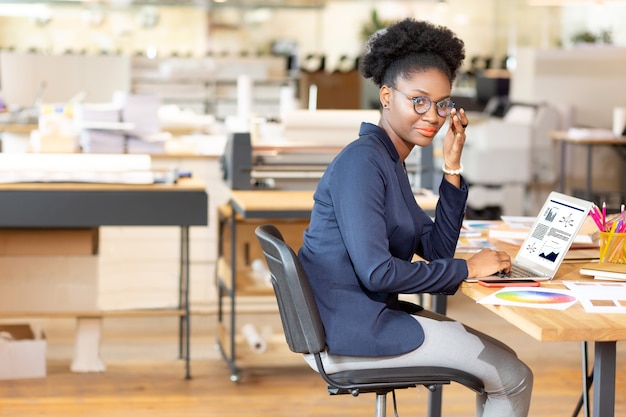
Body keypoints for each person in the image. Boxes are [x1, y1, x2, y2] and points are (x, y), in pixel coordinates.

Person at [297, 18, 533, 416]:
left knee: (504, 360)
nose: (434, 116)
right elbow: (378, 273)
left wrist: (452, 169)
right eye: (419, 101)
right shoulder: (364, 162)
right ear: (387, 96)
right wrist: (467, 269)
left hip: (362, 318)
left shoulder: (388, 161)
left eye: (442, 104)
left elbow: (435, 247)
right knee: (512, 373)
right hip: (352, 332)